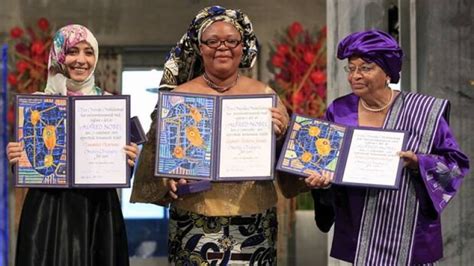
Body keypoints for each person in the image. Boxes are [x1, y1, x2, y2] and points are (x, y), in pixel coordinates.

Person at [130, 6, 299, 265]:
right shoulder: (178, 98)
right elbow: (155, 164)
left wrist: (280, 136)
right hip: (194, 218)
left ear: (244, 47)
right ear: (200, 47)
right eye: (212, 41)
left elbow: (289, 161)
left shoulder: (266, 95)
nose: (223, 47)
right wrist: (169, 181)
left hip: (253, 219)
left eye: (232, 40)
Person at [306, 29, 469, 265]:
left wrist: (418, 163)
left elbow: (455, 165)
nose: (355, 76)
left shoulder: (424, 111)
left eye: (365, 68)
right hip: (361, 231)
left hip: (410, 233)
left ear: (387, 72)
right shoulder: (339, 110)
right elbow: (324, 161)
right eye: (351, 68)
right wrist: (322, 183)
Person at [6, 24, 138, 266]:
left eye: (88, 52)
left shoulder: (109, 104)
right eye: (72, 51)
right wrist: (17, 158)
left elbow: (121, 168)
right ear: (58, 55)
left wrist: (128, 159)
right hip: (48, 211)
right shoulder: (36, 104)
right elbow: (28, 168)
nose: (81, 60)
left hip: (98, 211)